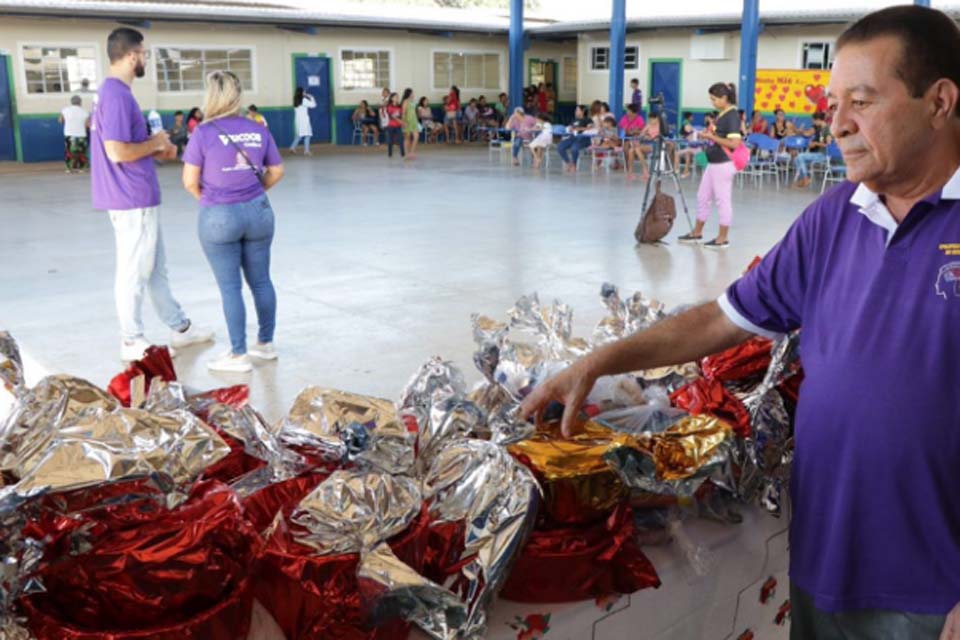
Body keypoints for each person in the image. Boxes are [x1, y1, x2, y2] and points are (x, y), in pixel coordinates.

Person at [524, 7, 960, 640]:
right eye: (834, 102)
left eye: (862, 101)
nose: (837, 124)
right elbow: (721, 321)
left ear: (940, 101)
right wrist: (596, 363)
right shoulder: (834, 216)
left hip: (934, 588)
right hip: (825, 566)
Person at [90, 27, 213, 361]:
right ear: (132, 55)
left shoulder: (117, 94)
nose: (145, 59)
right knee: (133, 271)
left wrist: (158, 148)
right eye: (144, 53)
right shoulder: (116, 94)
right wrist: (155, 143)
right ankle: (131, 339)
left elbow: (130, 146)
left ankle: (181, 329)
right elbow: (116, 151)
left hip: (138, 197)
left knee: (155, 269)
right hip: (131, 199)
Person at [182, 70, 284, 373]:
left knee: (231, 288)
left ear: (211, 95)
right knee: (262, 281)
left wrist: (214, 202)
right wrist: (253, 193)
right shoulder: (258, 129)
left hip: (219, 215)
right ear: (238, 95)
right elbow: (277, 171)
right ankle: (265, 344)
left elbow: (189, 181)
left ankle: (238, 354)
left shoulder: (202, 132)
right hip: (258, 212)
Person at [679, 82, 741, 248]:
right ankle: (697, 232)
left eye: (714, 99)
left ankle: (722, 238)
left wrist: (713, 138)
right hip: (713, 163)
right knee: (703, 197)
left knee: (722, 201)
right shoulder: (722, 114)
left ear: (724, 98)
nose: (712, 102)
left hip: (723, 164)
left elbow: (735, 143)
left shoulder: (732, 115)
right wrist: (709, 135)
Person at [792, 111, 832, 189]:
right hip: (817, 153)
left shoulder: (827, 130)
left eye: (813, 120)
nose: (813, 122)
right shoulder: (820, 129)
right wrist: (812, 143)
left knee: (800, 156)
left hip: (824, 155)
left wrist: (816, 144)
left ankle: (806, 178)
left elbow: (829, 145)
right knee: (796, 158)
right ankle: (804, 178)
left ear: (818, 120)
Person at [557, 104, 595, 173]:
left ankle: (574, 164)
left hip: (583, 139)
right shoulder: (574, 120)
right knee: (560, 147)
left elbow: (591, 128)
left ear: (582, 111)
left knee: (574, 148)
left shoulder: (588, 120)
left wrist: (578, 128)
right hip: (572, 138)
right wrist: (569, 129)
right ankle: (568, 163)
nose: (575, 111)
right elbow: (571, 127)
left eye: (577, 110)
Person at [59, 95, 89, 173]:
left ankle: (69, 169)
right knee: (81, 152)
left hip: (69, 133)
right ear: (80, 102)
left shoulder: (65, 110)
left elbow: (60, 120)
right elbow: (87, 125)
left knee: (69, 151)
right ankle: (81, 169)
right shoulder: (85, 111)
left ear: (71, 102)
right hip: (81, 134)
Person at [619, 104, 647, 180]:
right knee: (626, 147)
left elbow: (642, 130)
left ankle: (631, 167)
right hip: (626, 137)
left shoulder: (639, 118)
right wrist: (628, 131)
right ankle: (628, 167)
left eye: (628, 110)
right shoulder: (624, 118)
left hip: (636, 137)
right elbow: (623, 129)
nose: (627, 112)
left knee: (633, 147)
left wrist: (636, 131)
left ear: (633, 112)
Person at [290, 87, 315, 155]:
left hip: (298, 120)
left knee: (300, 134)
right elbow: (313, 105)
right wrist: (311, 97)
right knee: (307, 134)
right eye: (304, 91)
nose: (305, 92)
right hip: (304, 120)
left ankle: (292, 147)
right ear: (302, 92)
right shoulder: (303, 100)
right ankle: (306, 151)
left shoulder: (296, 100)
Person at [384, 92, 404, 158]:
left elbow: (401, 115)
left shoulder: (399, 106)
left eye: (398, 97)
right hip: (391, 126)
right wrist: (400, 121)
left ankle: (402, 154)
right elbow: (391, 116)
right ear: (392, 98)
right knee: (390, 140)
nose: (397, 98)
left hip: (398, 126)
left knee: (401, 139)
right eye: (395, 97)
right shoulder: (389, 106)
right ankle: (390, 154)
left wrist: (402, 121)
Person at [401, 88, 419, 160]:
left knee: (416, 136)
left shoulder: (413, 101)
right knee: (407, 138)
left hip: (414, 121)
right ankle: (407, 154)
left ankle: (412, 152)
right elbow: (403, 113)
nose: (413, 94)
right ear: (409, 94)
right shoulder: (405, 101)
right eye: (412, 93)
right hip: (407, 121)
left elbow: (414, 112)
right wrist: (404, 122)